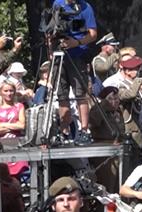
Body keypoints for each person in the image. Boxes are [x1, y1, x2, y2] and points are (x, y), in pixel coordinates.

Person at [51, 0, 99, 143]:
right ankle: (64, 131)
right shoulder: (57, 3)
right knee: (61, 95)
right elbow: (51, 27)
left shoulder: (85, 7)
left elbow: (93, 34)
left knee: (80, 94)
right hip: (59, 54)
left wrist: (76, 42)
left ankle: (84, 130)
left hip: (77, 54)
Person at [0, 81, 29, 180]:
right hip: (1, 146)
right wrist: (13, 126)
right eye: (6, 91)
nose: (9, 93)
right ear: (1, 92)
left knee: (17, 177)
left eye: (11, 91)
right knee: (2, 177)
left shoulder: (19, 106)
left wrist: (4, 124)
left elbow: (22, 126)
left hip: (17, 145)